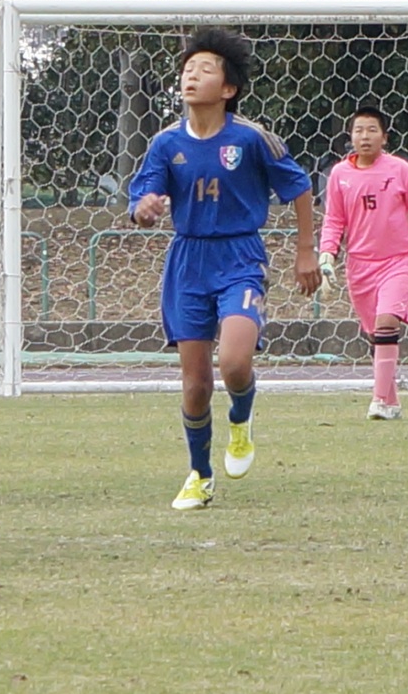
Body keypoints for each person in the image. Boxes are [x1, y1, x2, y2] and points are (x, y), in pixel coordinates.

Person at [129, 27, 322, 510]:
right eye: (187, 69)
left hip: (240, 257)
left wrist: (305, 251)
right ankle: (200, 474)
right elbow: (143, 196)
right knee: (195, 385)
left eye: (205, 69)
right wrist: (144, 208)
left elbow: (299, 187)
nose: (191, 76)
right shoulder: (165, 142)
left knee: (234, 363)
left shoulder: (251, 139)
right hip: (188, 262)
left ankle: (241, 416)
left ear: (229, 88)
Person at [316, 105, 408, 420]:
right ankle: (392, 403)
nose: (365, 136)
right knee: (377, 336)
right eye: (359, 130)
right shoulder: (339, 175)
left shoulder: (399, 170)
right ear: (350, 137)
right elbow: (333, 221)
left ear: (384, 137)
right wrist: (326, 260)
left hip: (398, 262)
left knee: (386, 322)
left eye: (372, 130)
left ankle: (379, 401)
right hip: (359, 267)